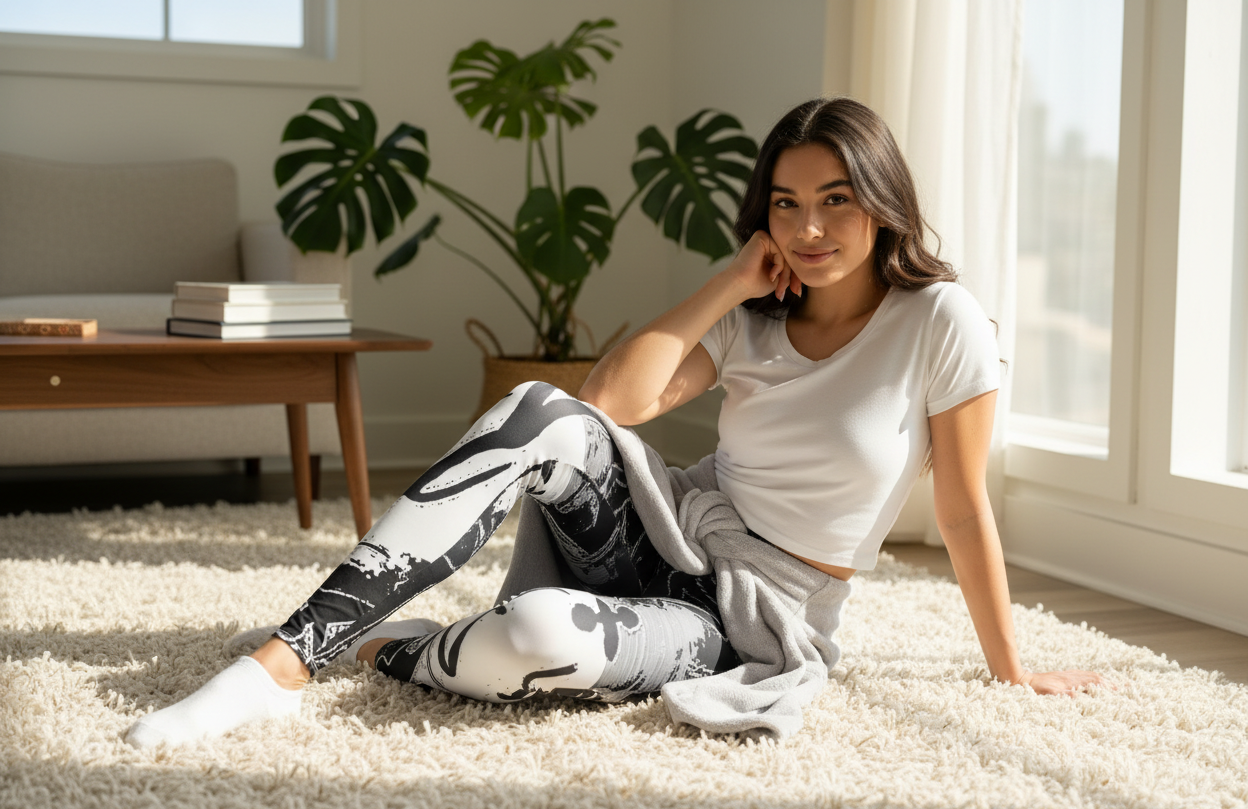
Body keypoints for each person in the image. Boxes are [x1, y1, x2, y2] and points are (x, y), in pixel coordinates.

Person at [125, 97, 1105, 749]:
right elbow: (607, 406)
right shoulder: (758, 317)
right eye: (788, 205)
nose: (811, 231)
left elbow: (965, 507)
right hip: (668, 531)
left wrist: (1011, 668)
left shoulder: (942, 321)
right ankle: (283, 662)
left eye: (837, 203)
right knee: (539, 409)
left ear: (884, 204)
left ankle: (389, 648)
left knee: (537, 635)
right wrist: (728, 282)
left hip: (743, 623)